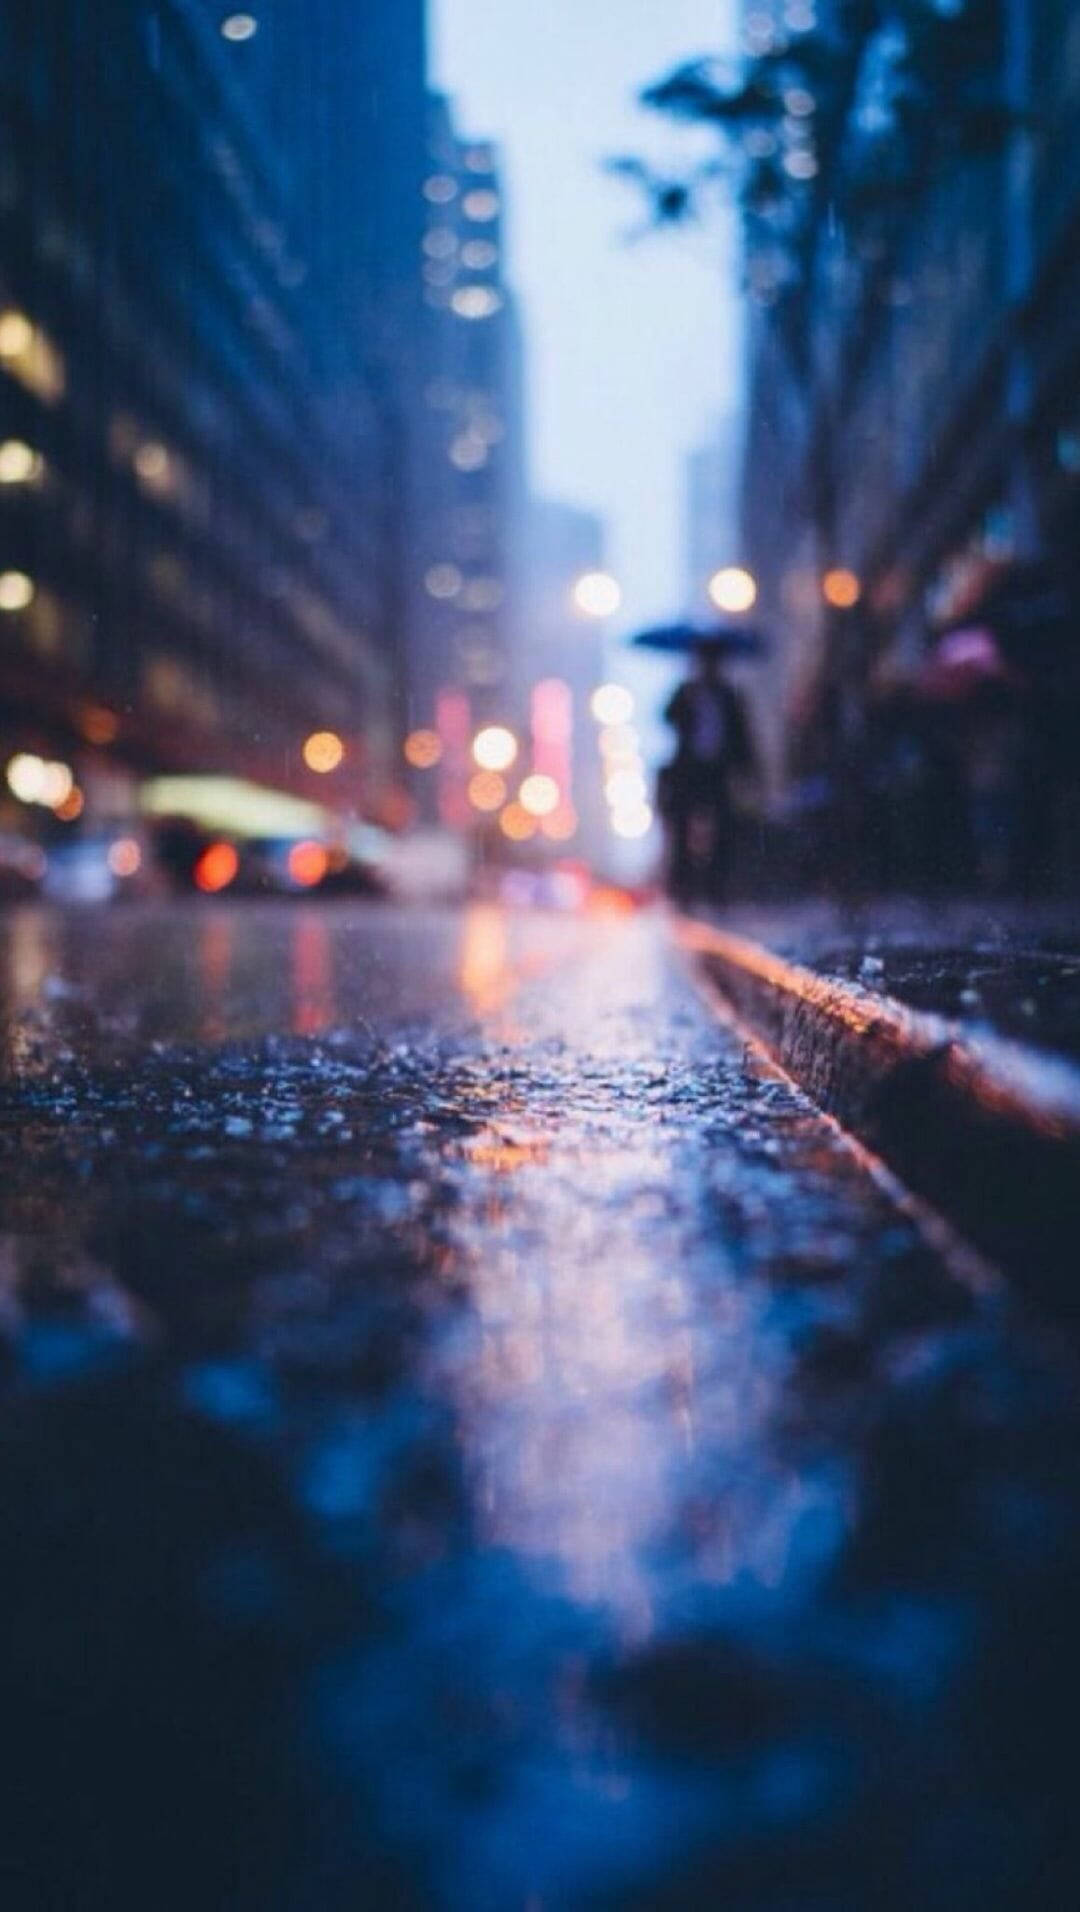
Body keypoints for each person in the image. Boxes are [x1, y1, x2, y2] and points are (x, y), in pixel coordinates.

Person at [659, 643, 758, 905]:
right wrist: (687, 703)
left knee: (724, 831)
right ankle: (684, 891)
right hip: (688, 772)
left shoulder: (730, 696)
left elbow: (743, 736)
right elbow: (666, 716)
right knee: (683, 833)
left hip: (719, 772)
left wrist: (749, 772)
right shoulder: (686, 692)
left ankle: (717, 890)